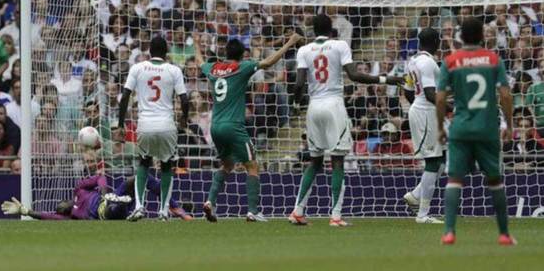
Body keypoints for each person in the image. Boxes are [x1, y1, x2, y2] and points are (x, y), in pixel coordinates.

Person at [290, 14, 403, 227]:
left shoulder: (303, 50)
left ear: (313, 30)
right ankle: (336, 215)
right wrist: (385, 79)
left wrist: (296, 105)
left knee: (314, 161)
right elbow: (354, 76)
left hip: (313, 107)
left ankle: (297, 211)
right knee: (338, 160)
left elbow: (298, 85)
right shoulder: (340, 45)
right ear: (332, 29)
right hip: (334, 105)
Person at [198, 32, 302, 223]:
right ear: (242, 55)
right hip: (233, 126)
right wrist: (289, 43)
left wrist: (196, 44)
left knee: (227, 164)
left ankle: (210, 201)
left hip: (215, 127)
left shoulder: (213, 67)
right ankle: (253, 211)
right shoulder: (242, 66)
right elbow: (268, 63)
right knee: (252, 165)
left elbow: (200, 62)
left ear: (225, 53)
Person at [436, 17, 515, 245]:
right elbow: (506, 95)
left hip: (460, 128)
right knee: (495, 180)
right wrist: (509, 125)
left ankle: (449, 232)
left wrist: (441, 126)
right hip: (487, 128)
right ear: (482, 35)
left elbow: (440, 99)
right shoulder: (493, 59)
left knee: (454, 179)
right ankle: (504, 235)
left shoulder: (450, 61)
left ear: (460, 37)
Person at [118, 36, 189, 221]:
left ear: (150, 51)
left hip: (145, 125)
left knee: (143, 163)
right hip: (167, 125)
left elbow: (125, 96)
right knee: (166, 166)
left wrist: (120, 123)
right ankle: (164, 212)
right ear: (166, 52)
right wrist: (184, 120)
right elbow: (184, 99)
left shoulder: (138, 68)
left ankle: (140, 206)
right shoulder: (174, 70)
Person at [1, 173, 192, 220]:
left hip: (108, 196)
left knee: (138, 178)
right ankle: (125, 207)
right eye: (58, 209)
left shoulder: (80, 191)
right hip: (104, 211)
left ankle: (173, 206)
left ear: (67, 199)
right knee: (110, 210)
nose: (59, 206)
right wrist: (25, 210)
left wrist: (102, 191)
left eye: (60, 204)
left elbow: (100, 177)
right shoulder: (71, 217)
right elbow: (46, 216)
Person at [401, 27, 446, 224]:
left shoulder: (412, 61)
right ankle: (422, 214)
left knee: (441, 158)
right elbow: (428, 93)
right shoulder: (428, 63)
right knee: (433, 161)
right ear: (437, 42)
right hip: (426, 112)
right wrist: (452, 106)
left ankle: (416, 195)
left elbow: (408, 91)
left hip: (422, 110)